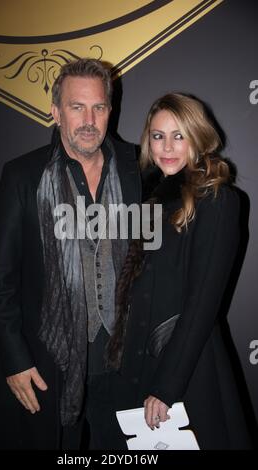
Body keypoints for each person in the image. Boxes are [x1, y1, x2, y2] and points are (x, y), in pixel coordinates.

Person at [0, 58, 141, 449]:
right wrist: (14, 359)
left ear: (110, 111)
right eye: (77, 107)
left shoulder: (138, 167)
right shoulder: (22, 176)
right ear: (56, 112)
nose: (89, 119)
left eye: (99, 107)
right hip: (52, 364)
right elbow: (1, 281)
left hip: (125, 363)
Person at [107, 93, 252, 449]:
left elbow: (202, 304)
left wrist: (166, 386)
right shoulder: (148, 201)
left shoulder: (218, 201)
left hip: (185, 369)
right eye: (157, 136)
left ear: (198, 137)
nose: (167, 147)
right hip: (138, 365)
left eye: (179, 135)